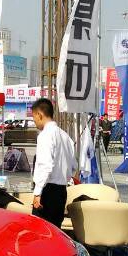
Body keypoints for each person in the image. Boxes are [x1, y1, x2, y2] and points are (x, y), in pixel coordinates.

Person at [30, 98, 77, 228]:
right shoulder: (65, 136)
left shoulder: (45, 135)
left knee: (40, 231)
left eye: (34, 118)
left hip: (47, 191)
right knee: (56, 230)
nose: (34, 122)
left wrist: (37, 192)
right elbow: (74, 165)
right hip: (61, 191)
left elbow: (45, 165)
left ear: (39, 114)